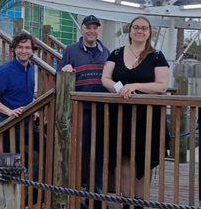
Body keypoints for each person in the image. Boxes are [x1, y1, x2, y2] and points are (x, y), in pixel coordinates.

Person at [102, 16, 169, 201]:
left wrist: (134, 86)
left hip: (148, 116)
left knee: (145, 161)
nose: (140, 31)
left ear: (149, 33)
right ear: (130, 30)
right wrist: (121, 90)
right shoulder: (116, 53)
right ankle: (125, 201)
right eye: (136, 27)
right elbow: (105, 78)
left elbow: (162, 86)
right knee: (123, 157)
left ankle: (140, 202)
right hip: (121, 114)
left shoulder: (157, 56)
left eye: (144, 28)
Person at [60, 15, 110, 202]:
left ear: (98, 30)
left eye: (95, 28)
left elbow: (112, 78)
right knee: (79, 150)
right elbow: (60, 76)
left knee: (99, 150)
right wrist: (65, 71)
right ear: (82, 29)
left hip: (102, 110)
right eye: (88, 27)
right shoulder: (71, 50)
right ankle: (77, 189)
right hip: (79, 110)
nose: (91, 31)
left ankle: (95, 191)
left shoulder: (106, 52)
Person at [0, 31, 37, 124]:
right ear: (14, 49)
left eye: (27, 48)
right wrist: (9, 111)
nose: (24, 51)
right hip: (7, 123)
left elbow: (27, 95)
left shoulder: (31, 68)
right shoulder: (4, 71)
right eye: (20, 47)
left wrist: (34, 109)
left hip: (27, 122)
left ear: (32, 50)